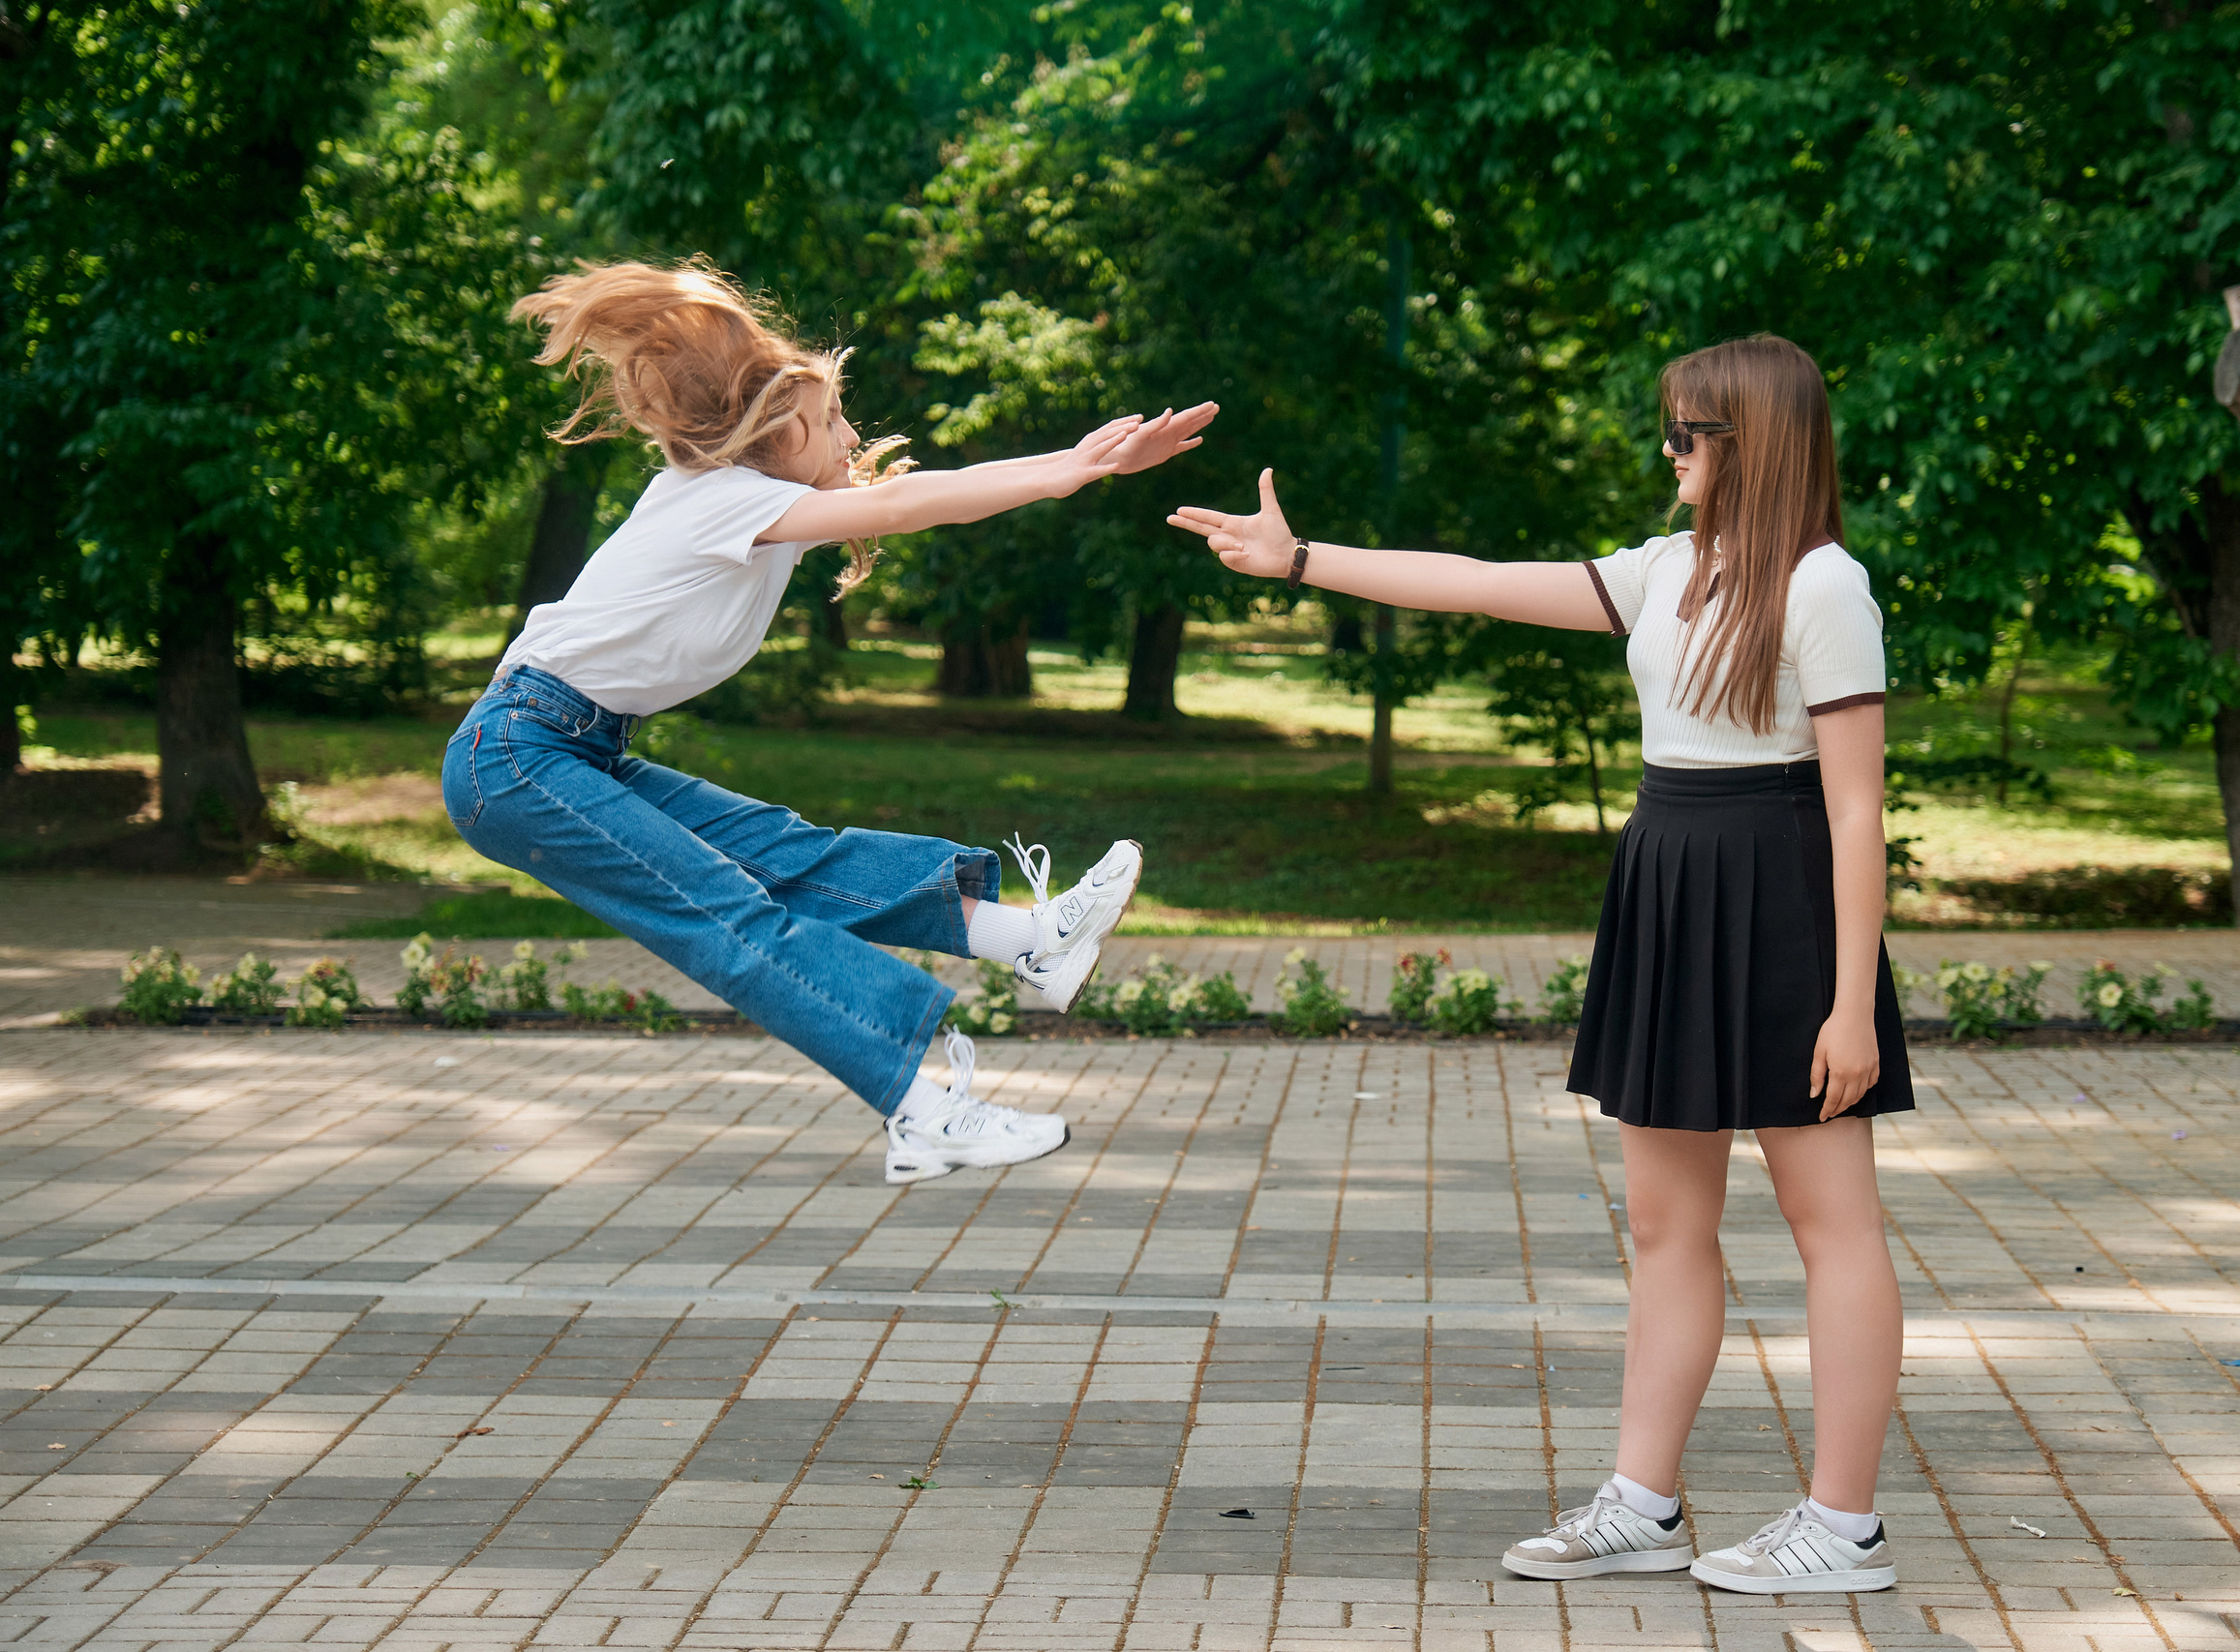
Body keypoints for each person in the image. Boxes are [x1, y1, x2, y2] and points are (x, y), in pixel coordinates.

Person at [1168, 334, 1911, 1595]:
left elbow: (1854, 810)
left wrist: (1851, 1005)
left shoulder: (1825, 584)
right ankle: (1643, 1501)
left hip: (1783, 897)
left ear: (1752, 440)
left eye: (1688, 431)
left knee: (1828, 1220)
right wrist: (1299, 560)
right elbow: (1470, 580)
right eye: (1668, 429)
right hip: (1671, 879)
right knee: (1665, 1221)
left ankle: (1843, 1526)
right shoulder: (1666, 569)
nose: (1668, 450)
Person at [449, 259, 1217, 1186]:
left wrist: (1077, 466)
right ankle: (925, 1114)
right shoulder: (725, 501)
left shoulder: (755, 506)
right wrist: (1075, 469)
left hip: (568, 748)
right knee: (733, 921)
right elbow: (903, 503)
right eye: (834, 417)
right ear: (780, 433)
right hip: (519, 757)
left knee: (787, 854)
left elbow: (908, 495)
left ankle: (1034, 943)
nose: (853, 432)